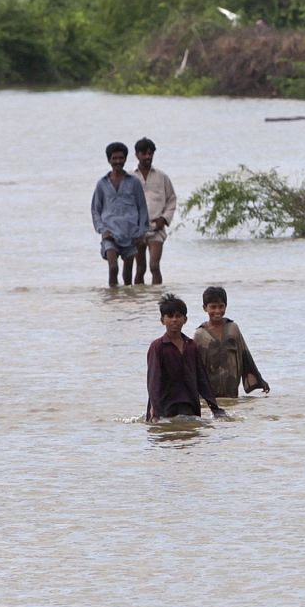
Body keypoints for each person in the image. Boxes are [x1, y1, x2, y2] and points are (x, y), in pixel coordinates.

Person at [145, 294, 226, 422]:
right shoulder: (158, 347)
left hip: (189, 405)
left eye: (178, 316)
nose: (174, 320)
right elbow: (153, 381)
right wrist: (155, 411)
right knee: (167, 438)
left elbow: (202, 378)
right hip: (165, 407)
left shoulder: (191, 345)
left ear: (185, 319)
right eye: (170, 316)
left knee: (191, 437)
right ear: (162, 320)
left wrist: (214, 407)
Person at [193, 286, 270, 399]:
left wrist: (259, 380)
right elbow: (193, 367)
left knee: (232, 411)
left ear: (226, 306)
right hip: (208, 395)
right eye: (213, 307)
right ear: (205, 308)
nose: (217, 311)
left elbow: (245, 355)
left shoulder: (232, 328)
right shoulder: (199, 335)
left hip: (231, 392)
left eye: (221, 306)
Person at [91, 141, 149, 287]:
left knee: (128, 274)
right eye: (114, 158)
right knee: (113, 268)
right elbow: (95, 210)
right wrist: (102, 230)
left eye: (121, 158)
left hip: (130, 234)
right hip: (110, 234)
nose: (118, 161)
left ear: (125, 159)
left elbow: (142, 208)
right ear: (109, 160)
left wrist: (141, 232)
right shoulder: (102, 184)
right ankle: (112, 298)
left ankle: (125, 301)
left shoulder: (134, 182)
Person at [131, 137, 177, 286]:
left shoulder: (162, 177)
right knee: (140, 268)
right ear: (137, 155)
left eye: (150, 154)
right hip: (137, 230)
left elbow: (171, 199)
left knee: (154, 266)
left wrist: (163, 219)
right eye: (143, 154)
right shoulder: (130, 178)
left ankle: (157, 298)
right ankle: (139, 299)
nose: (147, 157)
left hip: (157, 228)